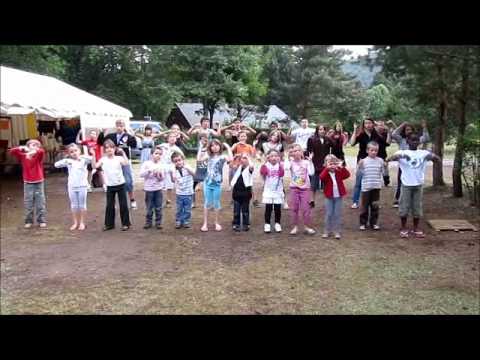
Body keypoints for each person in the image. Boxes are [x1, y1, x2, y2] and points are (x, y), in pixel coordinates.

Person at [386, 133, 440, 238]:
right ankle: (403, 228)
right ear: (407, 141)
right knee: (404, 207)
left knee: (417, 207)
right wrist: (398, 156)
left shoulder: (423, 153)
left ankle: (416, 228)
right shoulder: (402, 152)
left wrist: (433, 157)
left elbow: (438, 159)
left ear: (419, 142)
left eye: (416, 140)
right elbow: (389, 159)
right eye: (412, 140)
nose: (414, 142)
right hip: (406, 184)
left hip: (418, 184)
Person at [97, 120, 138, 209]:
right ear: (115, 126)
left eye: (121, 125)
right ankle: (113, 202)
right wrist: (102, 132)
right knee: (112, 181)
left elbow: (134, 145)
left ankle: (132, 199)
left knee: (128, 181)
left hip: (124, 160)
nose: (119, 127)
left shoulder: (128, 136)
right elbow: (100, 143)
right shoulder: (111, 136)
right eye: (118, 125)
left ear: (124, 126)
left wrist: (133, 135)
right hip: (112, 161)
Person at [93, 139, 131, 231]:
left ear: (114, 149)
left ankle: (126, 224)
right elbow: (95, 166)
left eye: (111, 147)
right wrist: (93, 155)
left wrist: (123, 153)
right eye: (107, 148)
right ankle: (109, 224)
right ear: (105, 150)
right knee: (109, 205)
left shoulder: (118, 158)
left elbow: (126, 163)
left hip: (120, 184)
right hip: (110, 185)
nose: (109, 149)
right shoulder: (103, 159)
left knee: (123, 205)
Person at [8, 139, 47, 229]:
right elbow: (12, 151)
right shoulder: (22, 156)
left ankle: (41, 220)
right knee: (28, 202)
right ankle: (28, 221)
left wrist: (33, 151)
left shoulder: (38, 156)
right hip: (28, 183)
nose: (36, 146)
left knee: (40, 202)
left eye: (37, 145)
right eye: (33, 144)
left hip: (38, 182)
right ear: (28, 146)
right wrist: (22, 148)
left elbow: (42, 151)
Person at [391, 120, 430, 207]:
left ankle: (412, 200)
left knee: (414, 182)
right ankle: (398, 199)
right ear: (404, 131)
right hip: (404, 165)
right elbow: (393, 134)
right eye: (406, 130)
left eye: (410, 129)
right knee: (401, 181)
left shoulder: (416, 139)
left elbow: (426, 138)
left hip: (415, 165)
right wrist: (402, 124)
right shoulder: (401, 140)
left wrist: (424, 127)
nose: (409, 131)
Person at [54, 143, 93, 231]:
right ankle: (75, 222)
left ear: (79, 151)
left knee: (82, 205)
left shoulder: (83, 160)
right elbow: (56, 165)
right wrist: (66, 159)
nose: (74, 153)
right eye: (71, 152)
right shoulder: (69, 161)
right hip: (71, 186)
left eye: (76, 151)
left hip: (82, 185)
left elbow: (92, 159)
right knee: (74, 205)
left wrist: (83, 156)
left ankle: (82, 222)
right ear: (69, 153)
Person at [349, 118, 386, 209]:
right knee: (359, 182)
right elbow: (352, 143)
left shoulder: (376, 134)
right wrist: (354, 130)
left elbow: (383, 146)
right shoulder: (361, 134)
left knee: (374, 181)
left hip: (374, 161)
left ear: (373, 124)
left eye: (370, 123)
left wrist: (382, 160)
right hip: (362, 161)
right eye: (366, 123)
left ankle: (374, 202)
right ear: (363, 125)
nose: (368, 125)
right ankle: (355, 201)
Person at [197, 139, 233, 232]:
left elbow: (231, 159)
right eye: (212, 145)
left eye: (217, 145)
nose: (215, 147)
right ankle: (205, 223)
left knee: (216, 203)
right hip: (207, 183)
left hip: (217, 184)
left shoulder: (223, 157)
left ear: (220, 146)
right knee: (207, 202)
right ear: (210, 147)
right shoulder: (208, 156)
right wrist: (201, 147)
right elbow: (199, 160)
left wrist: (228, 147)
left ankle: (216, 222)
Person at [286, 143, 316, 235]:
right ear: (292, 153)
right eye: (294, 151)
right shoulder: (291, 163)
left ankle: (307, 227)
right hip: (294, 188)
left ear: (302, 152)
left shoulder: (306, 162)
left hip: (305, 189)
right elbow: (286, 168)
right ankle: (295, 227)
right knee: (294, 208)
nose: (297, 152)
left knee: (306, 209)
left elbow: (311, 173)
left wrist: (310, 161)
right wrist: (287, 158)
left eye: (299, 150)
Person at [319, 154, 350, 239]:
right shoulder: (325, 172)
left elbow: (347, 175)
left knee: (337, 214)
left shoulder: (339, 171)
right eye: (330, 164)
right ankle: (327, 231)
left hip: (338, 196)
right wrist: (326, 169)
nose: (332, 165)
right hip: (329, 196)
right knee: (329, 214)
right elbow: (321, 177)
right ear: (326, 164)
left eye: (334, 163)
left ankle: (337, 231)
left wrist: (341, 167)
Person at [357, 141, 384, 231]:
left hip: (376, 187)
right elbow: (359, 174)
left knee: (375, 206)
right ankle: (363, 223)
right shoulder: (364, 161)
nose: (374, 152)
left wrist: (386, 167)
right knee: (364, 206)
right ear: (367, 150)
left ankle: (374, 223)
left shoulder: (380, 161)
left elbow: (383, 172)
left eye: (376, 150)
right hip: (366, 187)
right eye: (372, 150)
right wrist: (359, 167)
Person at [139, 146, 166, 230]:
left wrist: (159, 175)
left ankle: (158, 222)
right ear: (151, 154)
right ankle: (148, 222)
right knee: (149, 207)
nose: (158, 155)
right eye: (156, 153)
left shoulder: (161, 164)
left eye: (160, 154)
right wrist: (149, 170)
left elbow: (162, 178)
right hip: (149, 189)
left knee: (158, 207)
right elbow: (141, 174)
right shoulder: (146, 164)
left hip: (158, 189)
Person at [231, 130, 260, 207]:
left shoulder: (249, 146)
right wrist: (237, 145)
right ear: (238, 138)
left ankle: (254, 200)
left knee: (249, 183)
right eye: (241, 136)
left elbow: (253, 155)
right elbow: (231, 151)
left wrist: (254, 145)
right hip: (237, 166)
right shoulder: (236, 145)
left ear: (246, 137)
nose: (243, 137)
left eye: (244, 136)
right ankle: (233, 200)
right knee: (235, 183)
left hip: (246, 167)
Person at [306, 124, 333, 208]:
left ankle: (327, 201)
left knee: (326, 184)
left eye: (323, 129)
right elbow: (308, 151)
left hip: (325, 165)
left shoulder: (327, 139)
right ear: (317, 130)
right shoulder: (311, 139)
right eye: (320, 129)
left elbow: (335, 146)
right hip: (315, 165)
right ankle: (312, 200)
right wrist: (309, 157)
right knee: (313, 184)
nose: (322, 131)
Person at [260, 149, 285, 233]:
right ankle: (267, 224)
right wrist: (264, 162)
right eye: (271, 156)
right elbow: (263, 172)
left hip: (278, 190)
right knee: (268, 208)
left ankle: (277, 223)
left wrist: (280, 163)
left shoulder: (280, 165)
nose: (274, 158)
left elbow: (282, 174)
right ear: (268, 157)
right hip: (268, 190)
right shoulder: (266, 165)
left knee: (278, 208)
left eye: (276, 156)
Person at [158, 133, 185, 208]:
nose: (172, 138)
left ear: (176, 139)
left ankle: (168, 201)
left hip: (171, 166)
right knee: (160, 183)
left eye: (174, 137)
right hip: (162, 166)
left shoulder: (176, 148)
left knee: (169, 184)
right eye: (171, 137)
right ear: (167, 138)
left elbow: (183, 156)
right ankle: (160, 200)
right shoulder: (163, 145)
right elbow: (156, 150)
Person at [230, 154, 254, 231]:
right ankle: (236, 224)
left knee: (245, 210)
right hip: (236, 193)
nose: (243, 160)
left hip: (246, 193)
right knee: (236, 211)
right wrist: (235, 158)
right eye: (241, 158)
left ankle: (246, 224)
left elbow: (251, 166)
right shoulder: (237, 168)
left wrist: (248, 158)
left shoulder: (249, 169)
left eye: (245, 158)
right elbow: (231, 165)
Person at [171, 152, 195, 229]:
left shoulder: (187, 167)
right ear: (173, 162)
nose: (178, 162)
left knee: (187, 209)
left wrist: (188, 168)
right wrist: (173, 173)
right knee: (179, 208)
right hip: (179, 194)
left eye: (179, 160)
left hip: (188, 193)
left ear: (183, 160)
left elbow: (195, 174)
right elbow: (173, 180)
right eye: (175, 161)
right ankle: (178, 221)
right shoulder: (174, 170)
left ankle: (186, 221)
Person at [374, 120, 392, 186]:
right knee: (375, 169)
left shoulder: (385, 134)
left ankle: (386, 181)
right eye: (380, 125)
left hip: (383, 154)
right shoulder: (373, 134)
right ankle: (376, 182)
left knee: (385, 169)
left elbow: (388, 143)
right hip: (374, 155)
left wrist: (389, 131)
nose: (381, 127)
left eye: (382, 125)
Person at [192, 134, 209, 208]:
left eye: (205, 140)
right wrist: (200, 148)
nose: (203, 141)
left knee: (208, 188)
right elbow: (197, 160)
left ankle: (208, 203)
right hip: (199, 170)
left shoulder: (209, 149)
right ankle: (193, 203)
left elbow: (199, 160)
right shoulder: (199, 149)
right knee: (192, 187)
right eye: (201, 139)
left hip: (206, 170)